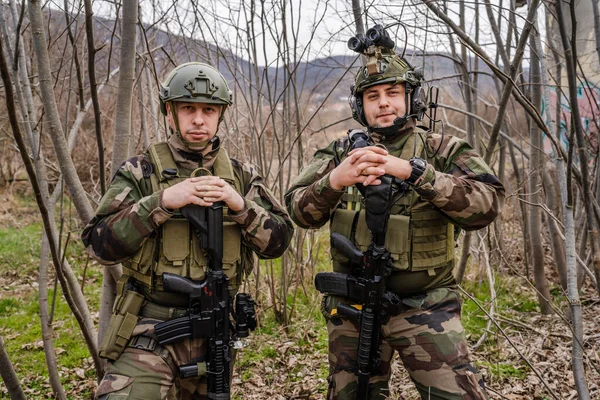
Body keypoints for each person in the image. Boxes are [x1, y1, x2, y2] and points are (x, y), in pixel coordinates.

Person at [284, 28, 504, 399]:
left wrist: (415, 172)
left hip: (426, 306)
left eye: (392, 93)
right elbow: (298, 211)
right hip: (353, 307)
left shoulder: (442, 149)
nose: (383, 103)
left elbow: (488, 205)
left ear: (410, 97)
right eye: (373, 96)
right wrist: (335, 181)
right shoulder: (341, 152)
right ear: (360, 106)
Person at [82, 62, 294, 399]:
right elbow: (98, 245)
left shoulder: (240, 175)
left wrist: (240, 206)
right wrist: (161, 202)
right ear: (170, 112)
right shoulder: (141, 172)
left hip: (216, 331)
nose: (198, 119)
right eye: (188, 108)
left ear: (220, 115)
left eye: (208, 110)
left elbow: (279, 242)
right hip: (150, 327)